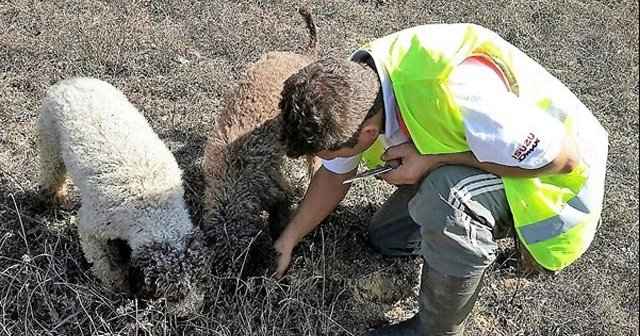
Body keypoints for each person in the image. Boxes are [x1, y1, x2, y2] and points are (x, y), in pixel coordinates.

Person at [274, 23, 608, 335]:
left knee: (448, 199)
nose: (321, 162)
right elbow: (334, 178)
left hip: (554, 183)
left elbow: (564, 159)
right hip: (493, 148)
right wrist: (288, 239)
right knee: (387, 237)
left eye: (325, 155)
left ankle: (435, 328)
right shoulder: (351, 86)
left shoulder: (462, 92)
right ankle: (456, 247)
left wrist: (434, 159)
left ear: (369, 133)